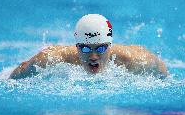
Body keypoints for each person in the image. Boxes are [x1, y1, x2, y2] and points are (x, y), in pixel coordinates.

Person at [9, 14, 168, 79]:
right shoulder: (52, 58)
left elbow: (162, 72)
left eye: (100, 48)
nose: (93, 56)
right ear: (77, 46)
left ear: (109, 46)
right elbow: (17, 75)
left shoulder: (134, 60)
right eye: (85, 48)